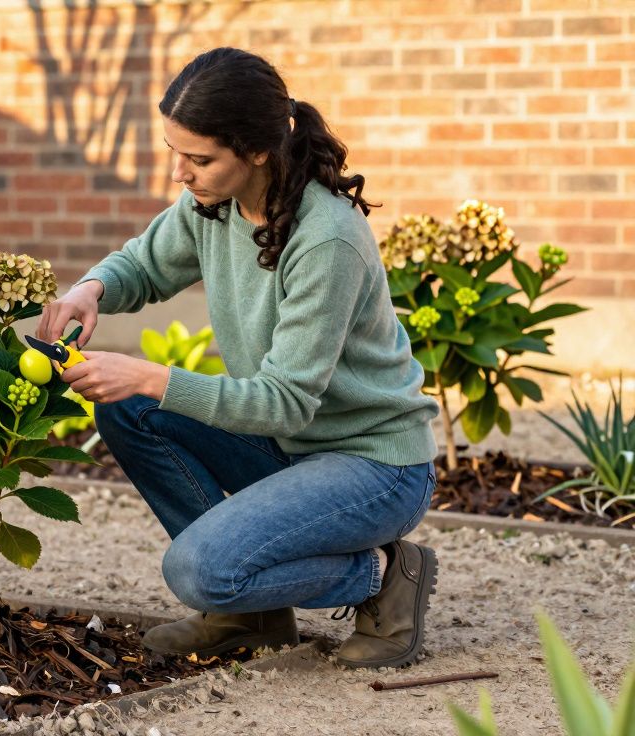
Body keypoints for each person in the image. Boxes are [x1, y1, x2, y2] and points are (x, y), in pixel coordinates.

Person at [37, 47, 440, 670]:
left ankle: (383, 573)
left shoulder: (325, 240)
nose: (180, 173)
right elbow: (146, 263)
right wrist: (90, 289)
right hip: (291, 451)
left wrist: (152, 375)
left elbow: (283, 400)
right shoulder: (212, 203)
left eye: (198, 158)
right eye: (175, 152)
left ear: (256, 151)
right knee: (132, 409)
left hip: (372, 466)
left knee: (197, 570)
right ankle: (251, 612)